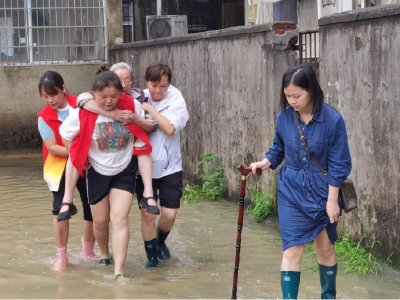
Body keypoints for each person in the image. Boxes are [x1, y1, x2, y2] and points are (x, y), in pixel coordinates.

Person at [250, 64, 351, 299]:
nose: (292, 101)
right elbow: (278, 149)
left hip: (321, 191)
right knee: (291, 250)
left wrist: (332, 201)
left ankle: (328, 296)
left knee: (324, 248)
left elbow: (339, 164)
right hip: (291, 191)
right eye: (287, 96)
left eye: (297, 95)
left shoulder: (332, 120)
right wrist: (264, 163)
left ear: (311, 91)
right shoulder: (283, 117)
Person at [59, 66, 152, 281]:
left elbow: (145, 128)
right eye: (103, 97)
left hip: (124, 169)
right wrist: (78, 158)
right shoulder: (83, 111)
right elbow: (65, 134)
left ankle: (119, 271)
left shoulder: (132, 105)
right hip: (97, 171)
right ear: (94, 94)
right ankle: (103, 252)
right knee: (100, 222)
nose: (109, 101)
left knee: (120, 218)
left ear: (121, 93)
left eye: (114, 96)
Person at [58, 63, 159, 220]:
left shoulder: (137, 98)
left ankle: (149, 194)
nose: (124, 84)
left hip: (127, 158)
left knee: (143, 146)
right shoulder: (88, 102)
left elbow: (152, 126)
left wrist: (135, 119)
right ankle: (67, 200)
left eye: (127, 80)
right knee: (76, 151)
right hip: (97, 164)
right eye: (120, 80)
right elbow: (82, 99)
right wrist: (113, 114)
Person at [36, 71, 99, 272]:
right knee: (59, 210)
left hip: (88, 163)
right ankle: (62, 256)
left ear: (63, 89)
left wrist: (84, 158)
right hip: (58, 166)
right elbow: (53, 147)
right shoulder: (43, 117)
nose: (50, 100)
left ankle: (88, 251)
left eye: (53, 94)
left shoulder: (81, 104)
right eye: (45, 97)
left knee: (93, 206)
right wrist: (79, 156)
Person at [136, 63, 189, 268]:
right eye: (154, 85)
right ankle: (151, 256)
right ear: (146, 82)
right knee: (148, 213)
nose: (159, 90)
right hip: (143, 168)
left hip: (170, 167)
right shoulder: (137, 97)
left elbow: (169, 129)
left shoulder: (175, 98)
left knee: (169, 214)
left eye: (163, 86)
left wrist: (150, 109)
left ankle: (159, 242)